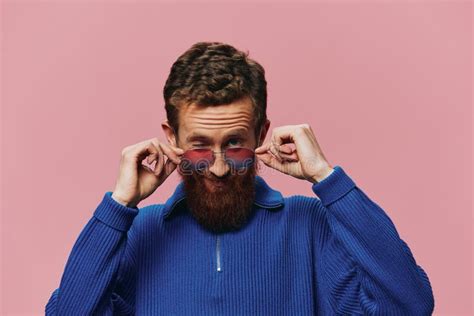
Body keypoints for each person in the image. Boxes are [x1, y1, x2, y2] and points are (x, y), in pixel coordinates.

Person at [45, 42, 434, 315]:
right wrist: (118, 207)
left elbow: (409, 305)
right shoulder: (138, 234)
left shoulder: (309, 224)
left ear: (261, 134)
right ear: (170, 138)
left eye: (234, 144)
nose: (217, 168)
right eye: (198, 146)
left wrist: (327, 178)